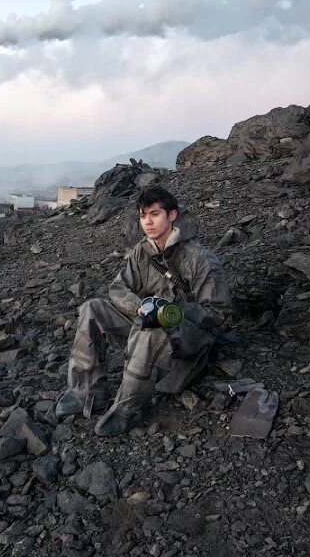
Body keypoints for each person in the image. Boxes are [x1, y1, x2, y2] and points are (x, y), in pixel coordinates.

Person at [56, 186, 232, 436]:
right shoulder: (142, 252)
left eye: (155, 214)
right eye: (143, 215)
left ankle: (129, 408)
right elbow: (118, 288)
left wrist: (172, 311)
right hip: (148, 321)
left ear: (172, 216)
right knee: (92, 309)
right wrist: (139, 307)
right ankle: (86, 392)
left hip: (190, 336)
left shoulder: (199, 259)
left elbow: (217, 313)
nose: (147, 222)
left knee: (149, 328)